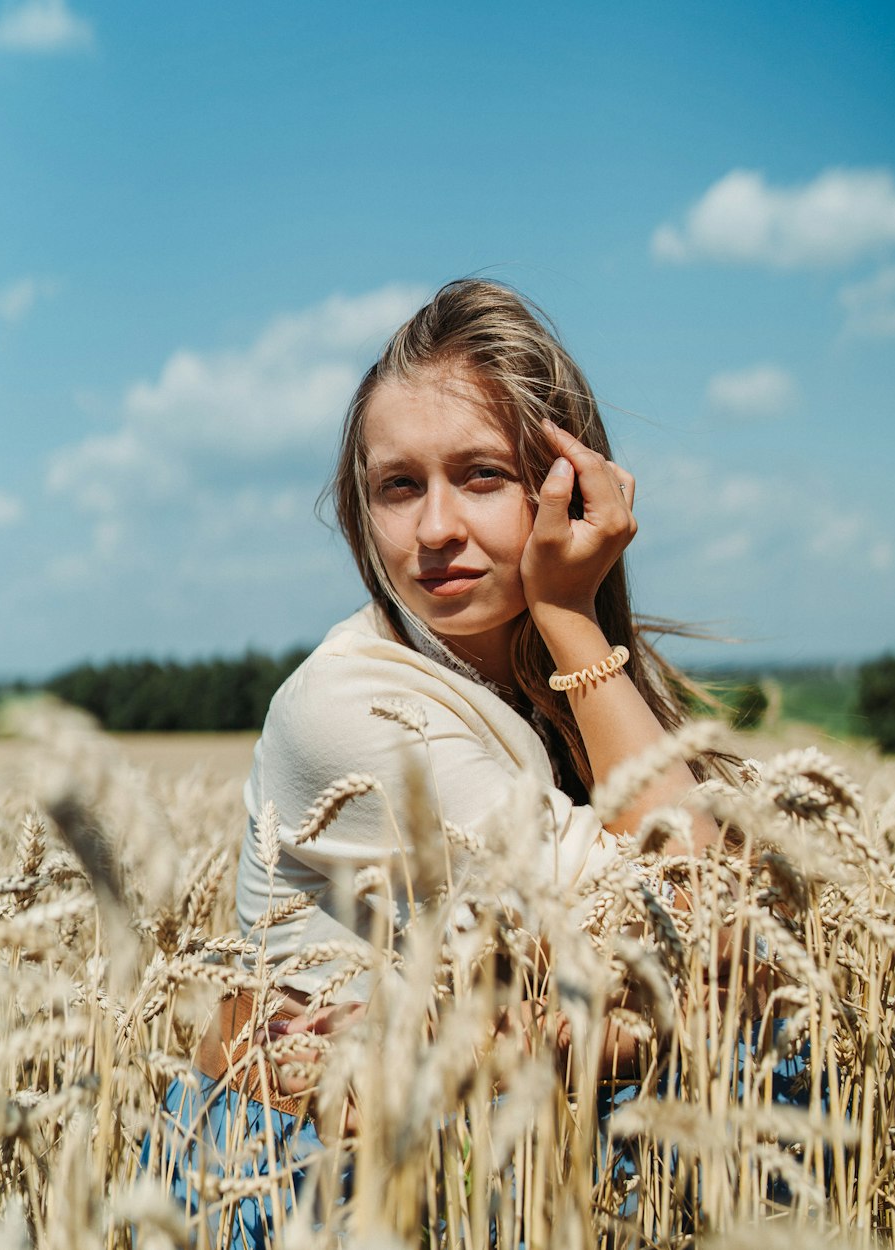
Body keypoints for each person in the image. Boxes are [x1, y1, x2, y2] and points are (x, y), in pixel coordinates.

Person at [144, 279, 724, 1245]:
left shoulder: (547, 698)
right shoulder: (352, 706)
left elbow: (714, 941)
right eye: (399, 486)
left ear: (566, 488)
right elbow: (704, 915)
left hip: (474, 1172)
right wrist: (575, 619)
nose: (435, 530)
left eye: (482, 475)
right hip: (296, 1193)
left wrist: (535, 1032)